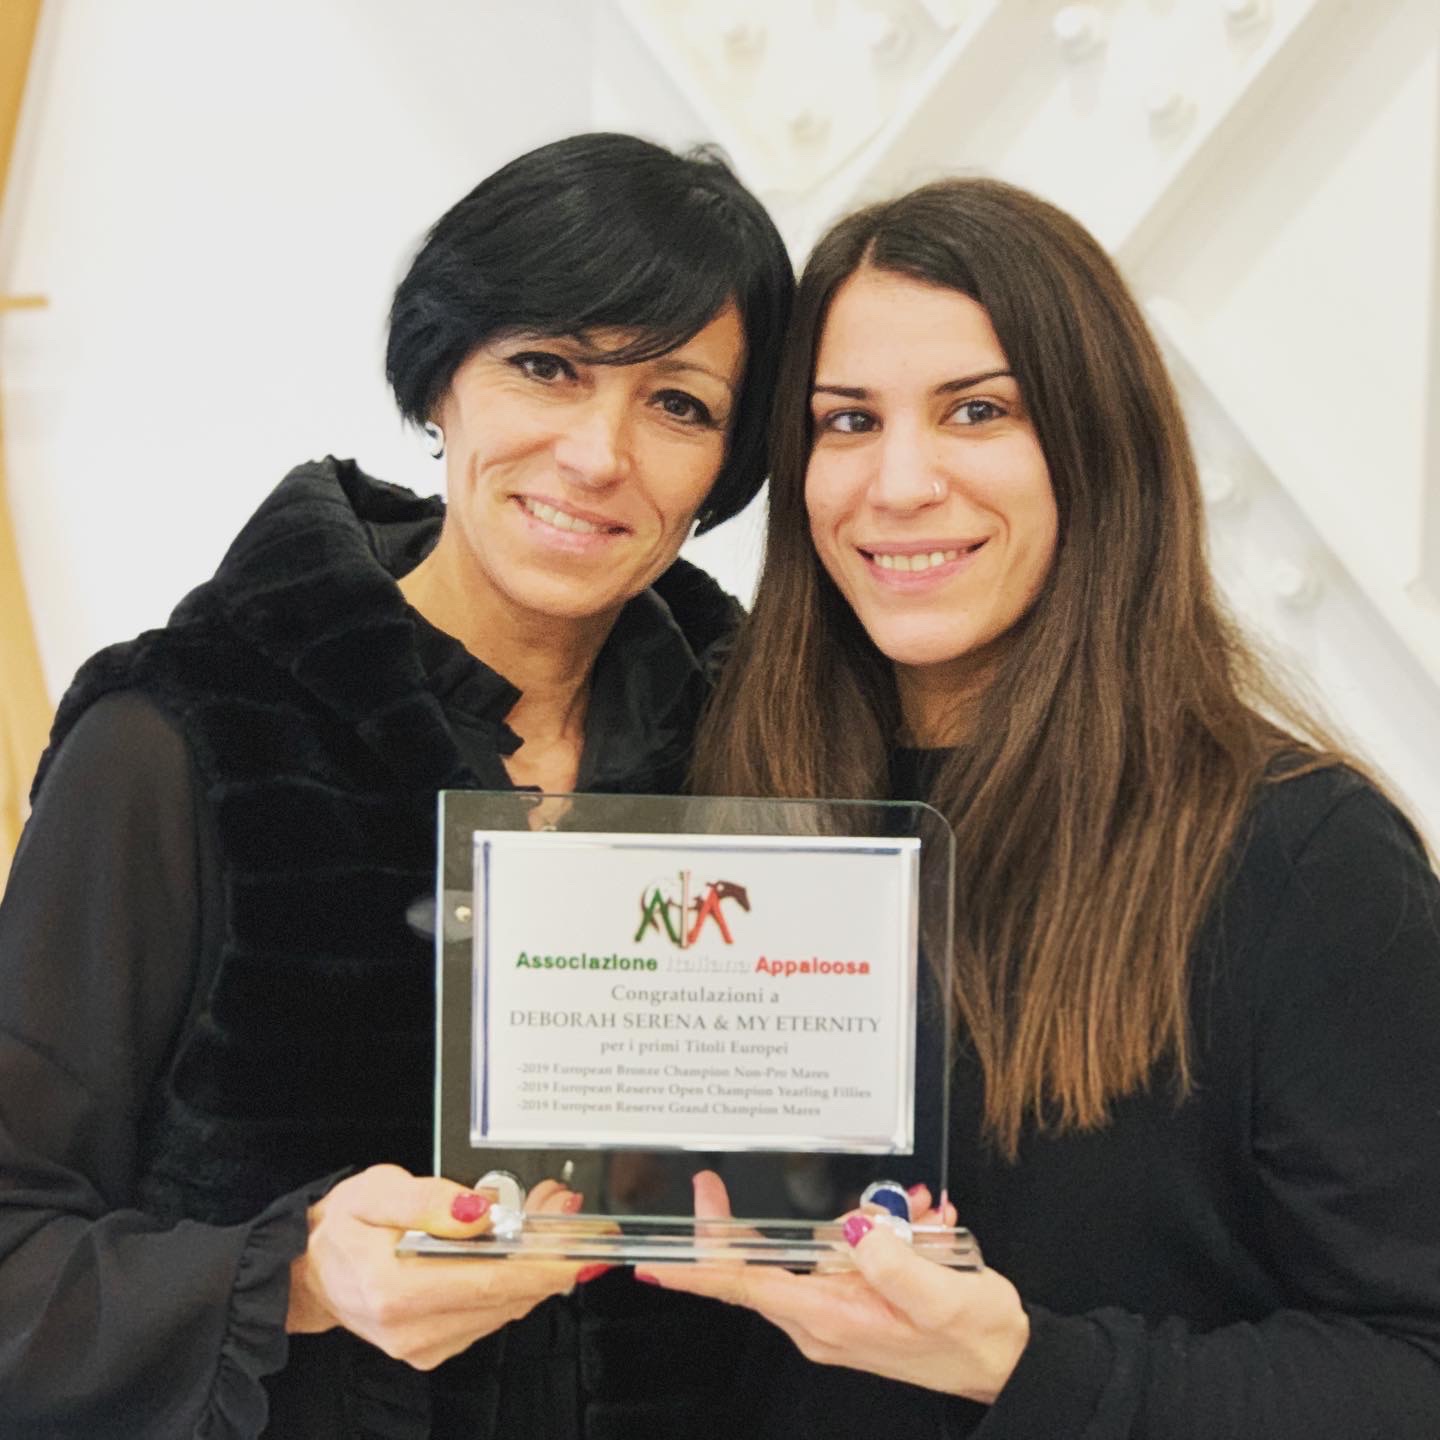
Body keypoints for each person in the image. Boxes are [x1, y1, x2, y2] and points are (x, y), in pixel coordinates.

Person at [0, 132, 792, 1438]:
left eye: (679, 404)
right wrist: (299, 1278)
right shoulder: (182, 737)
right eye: (548, 366)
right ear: (443, 379)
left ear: (728, 465)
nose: (600, 453)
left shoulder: (771, 768)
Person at [647, 177, 1440, 1438]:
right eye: (847, 421)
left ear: (1097, 443)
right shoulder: (729, 803)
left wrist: (1020, 1364)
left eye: (978, 410)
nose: (899, 483)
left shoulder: (1304, 856)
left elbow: (1413, 1370)